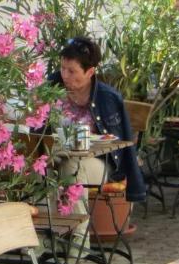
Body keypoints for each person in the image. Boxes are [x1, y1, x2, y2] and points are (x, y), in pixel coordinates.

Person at [51, 36, 146, 205]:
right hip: (56, 155)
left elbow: (123, 144)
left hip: (98, 162)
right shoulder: (50, 87)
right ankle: (46, 228)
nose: (64, 75)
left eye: (72, 71)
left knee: (72, 168)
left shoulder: (107, 98)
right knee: (38, 168)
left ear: (90, 72)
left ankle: (77, 231)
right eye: (62, 68)